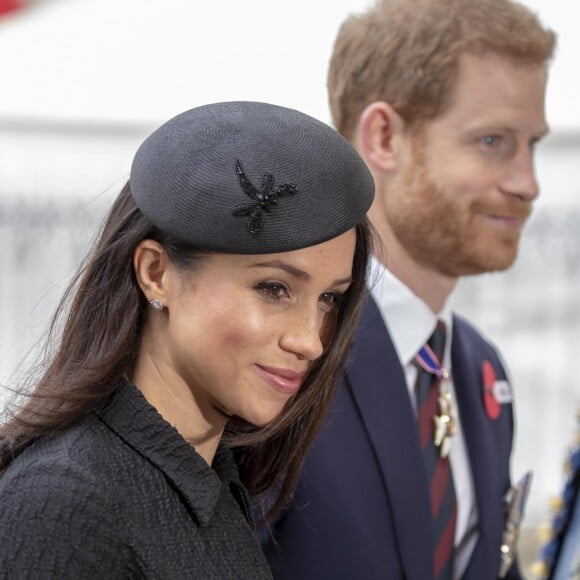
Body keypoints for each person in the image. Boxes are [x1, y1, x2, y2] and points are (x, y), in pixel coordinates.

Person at [0, 101, 375, 578]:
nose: (311, 341)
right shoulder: (63, 506)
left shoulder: (214, 482)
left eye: (327, 299)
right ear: (157, 273)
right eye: (274, 289)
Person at [259, 1, 556, 579]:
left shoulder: (478, 369)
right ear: (385, 137)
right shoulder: (280, 356)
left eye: (533, 144)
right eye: (493, 141)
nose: (528, 183)